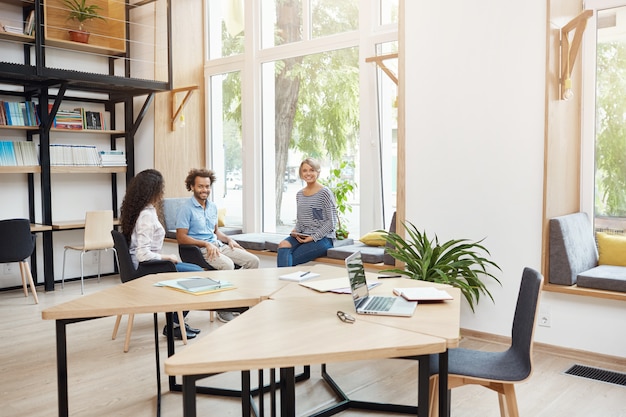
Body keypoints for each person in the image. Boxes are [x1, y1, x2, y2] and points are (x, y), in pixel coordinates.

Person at [120, 169, 203, 340]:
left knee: (195, 270)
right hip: (146, 268)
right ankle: (174, 324)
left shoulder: (142, 211)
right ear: (154, 190)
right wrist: (167, 257)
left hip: (148, 265)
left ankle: (176, 322)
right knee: (197, 276)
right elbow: (143, 254)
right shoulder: (145, 216)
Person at [176, 168, 260, 321]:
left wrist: (229, 240)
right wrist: (205, 244)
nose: (204, 190)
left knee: (253, 261)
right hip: (200, 250)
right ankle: (223, 307)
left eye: (207, 186)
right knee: (227, 265)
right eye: (200, 186)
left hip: (218, 245)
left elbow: (216, 232)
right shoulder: (185, 209)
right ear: (192, 187)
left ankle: (239, 301)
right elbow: (181, 237)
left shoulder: (213, 207)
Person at [277, 158, 337, 267]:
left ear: (318, 172)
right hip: (303, 234)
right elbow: (301, 219)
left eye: (312, 170)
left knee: (288, 259)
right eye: (305, 171)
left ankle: (283, 282)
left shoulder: (325, 193)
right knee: (283, 244)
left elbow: (331, 222)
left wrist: (313, 237)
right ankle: (286, 281)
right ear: (301, 173)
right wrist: (296, 230)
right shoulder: (299, 194)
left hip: (323, 238)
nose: (308, 173)